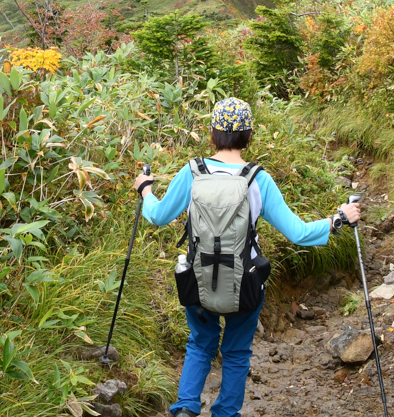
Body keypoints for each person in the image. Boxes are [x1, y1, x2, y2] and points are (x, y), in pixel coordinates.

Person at [132, 97, 360, 417]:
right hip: (246, 282)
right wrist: (338, 219)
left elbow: (157, 215)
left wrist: (145, 190)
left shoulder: (193, 171)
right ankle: (226, 413)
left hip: (198, 279)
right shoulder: (258, 179)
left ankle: (185, 408)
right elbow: (297, 233)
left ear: (213, 132)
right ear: (248, 135)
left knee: (200, 344)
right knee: (237, 353)